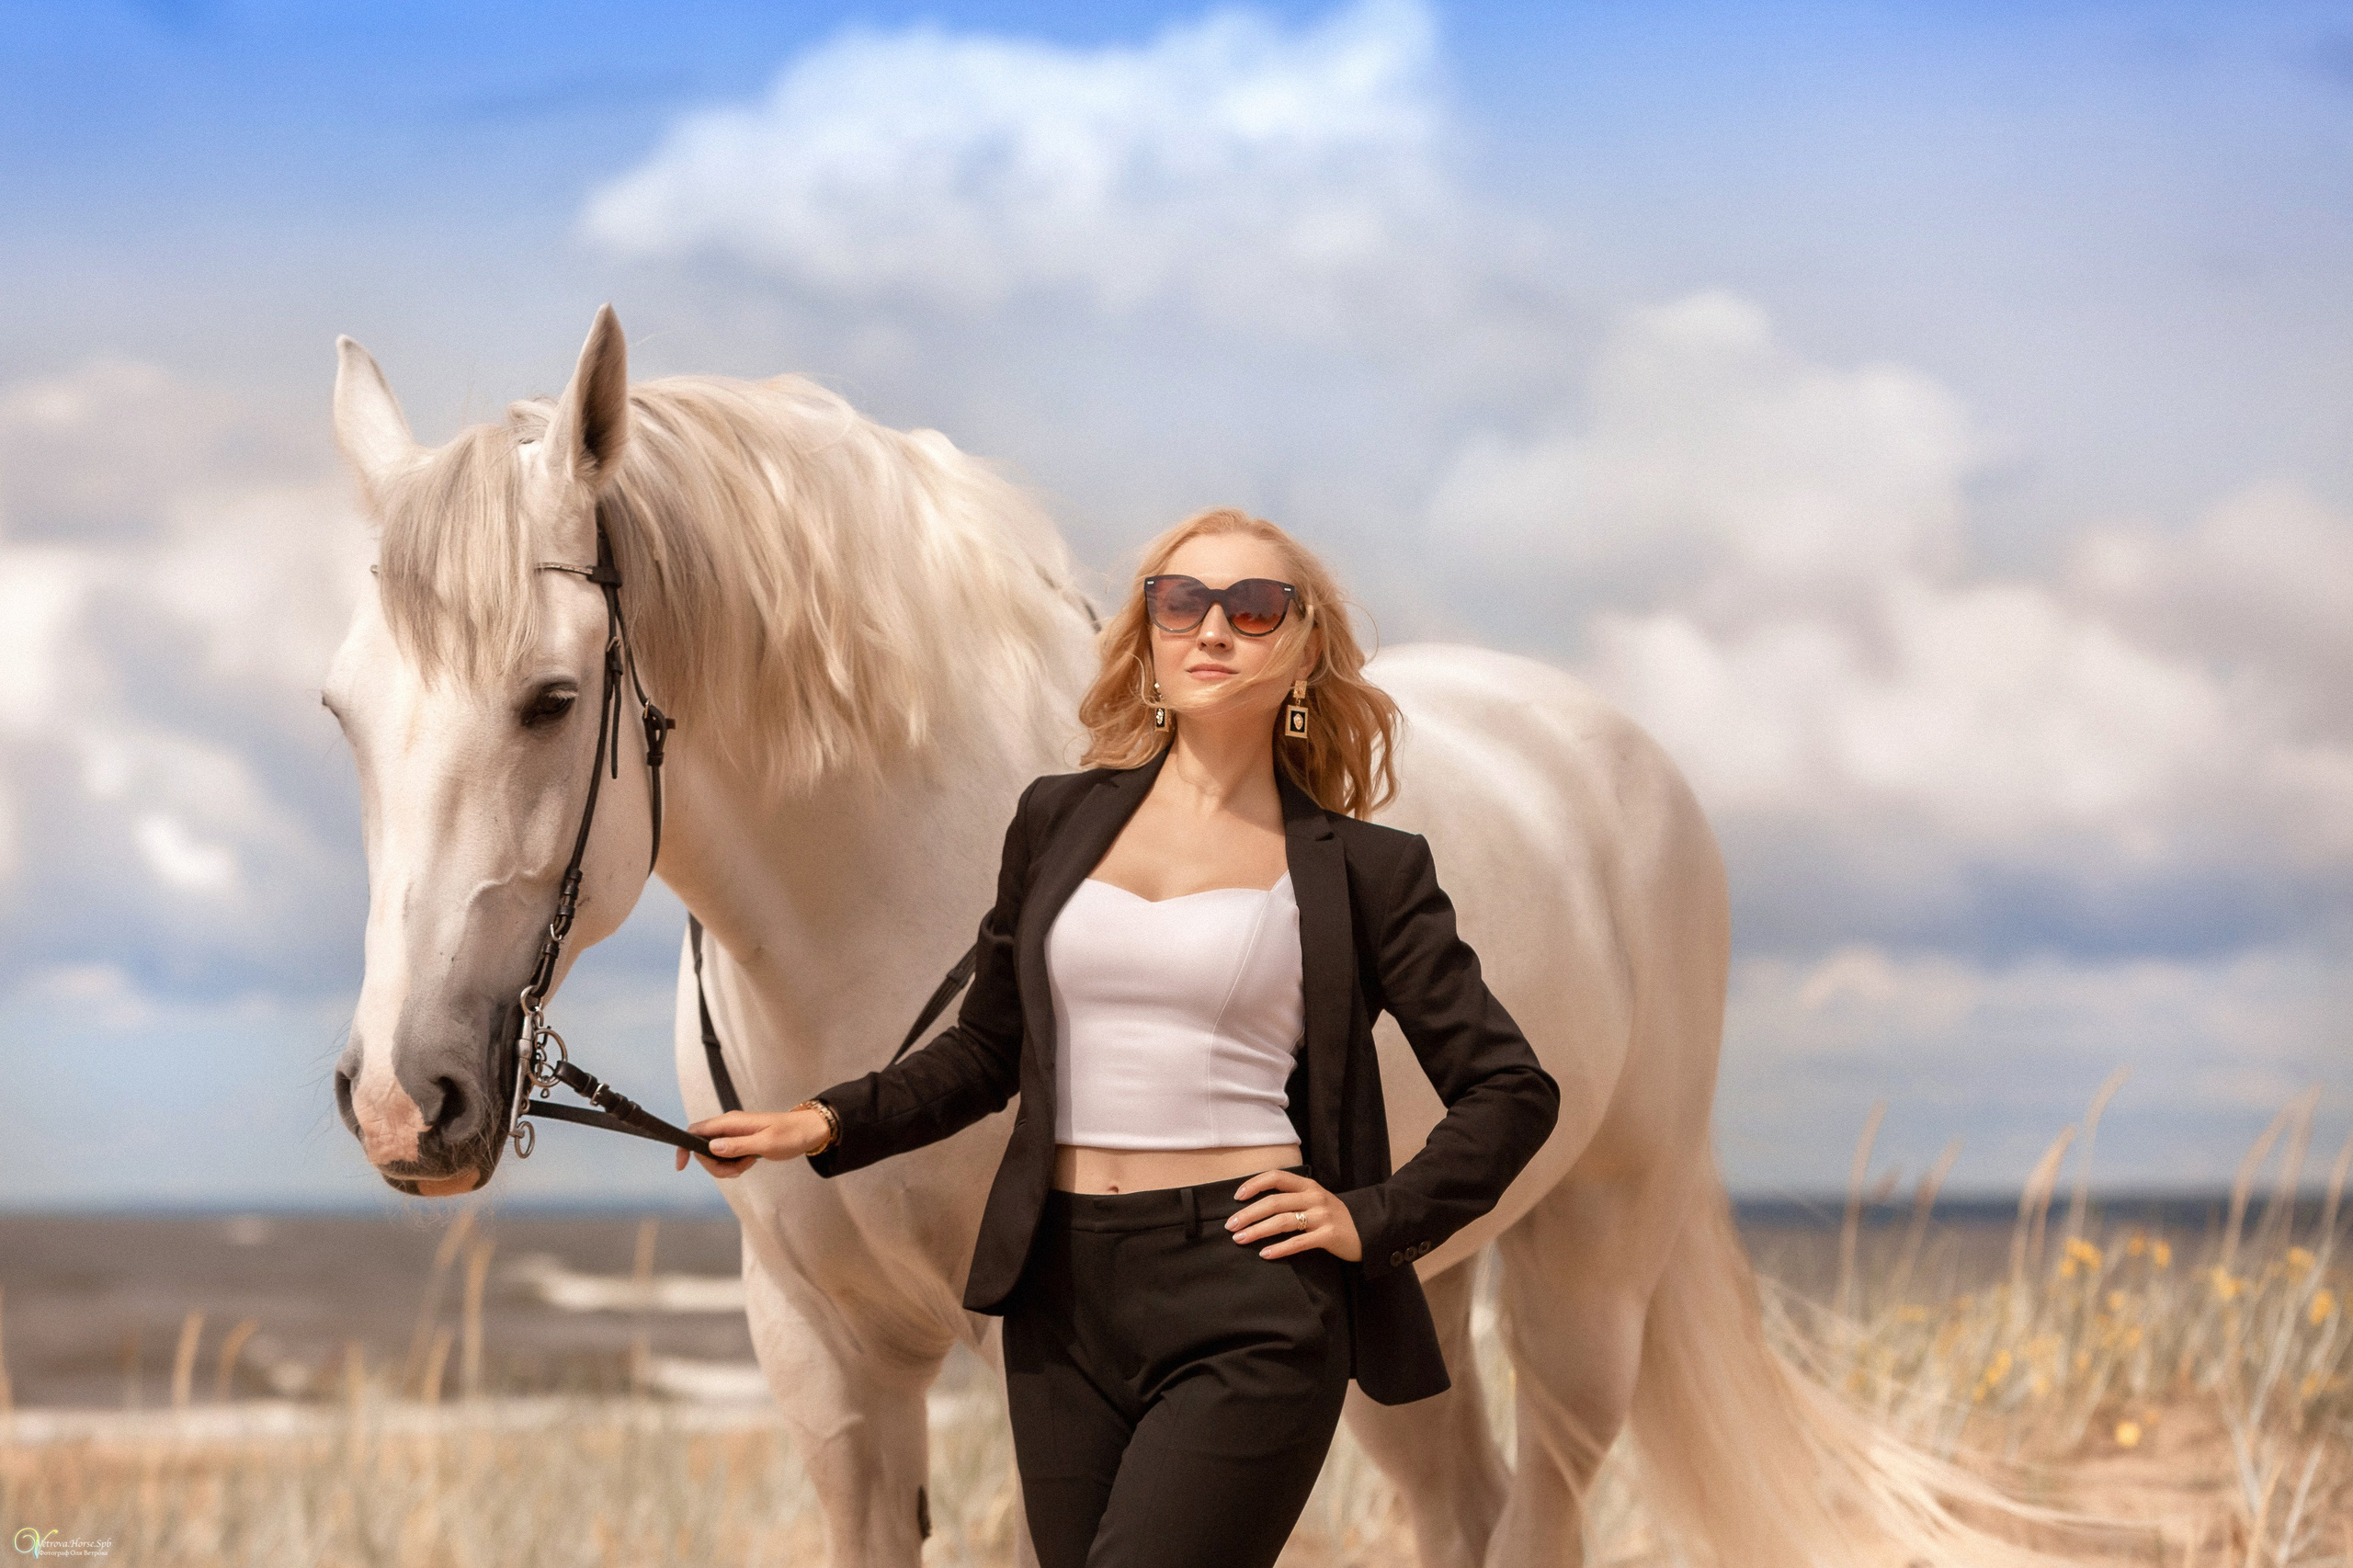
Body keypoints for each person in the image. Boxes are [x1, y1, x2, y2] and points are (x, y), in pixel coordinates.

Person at [678, 506, 1560, 1568]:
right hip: (1061, 1300)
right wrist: (819, 1120)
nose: (1213, 628)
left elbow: (1510, 1088)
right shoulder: (1056, 821)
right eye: (1180, 602)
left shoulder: (1368, 870)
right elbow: (987, 1050)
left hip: (1250, 1292)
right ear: (1147, 637)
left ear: (1303, 647)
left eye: (1254, 605)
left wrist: (1373, 1217)